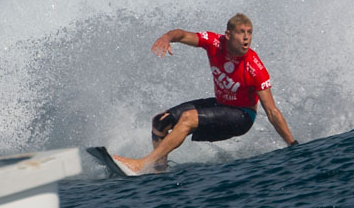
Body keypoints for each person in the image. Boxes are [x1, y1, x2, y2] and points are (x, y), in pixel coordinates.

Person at [112, 13, 298, 174]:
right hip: (221, 104)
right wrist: (168, 37)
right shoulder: (215, 43)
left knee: (188, 118)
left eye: (249, 32)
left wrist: (293, 146)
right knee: (161, 121)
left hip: (242, 116)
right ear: (228, 34)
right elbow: (184, 35)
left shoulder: (254, 67)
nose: (246, 38)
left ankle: (143, 164)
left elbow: (272, 112)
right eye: (241, 32)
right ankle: (159, 170)